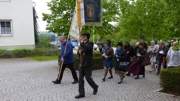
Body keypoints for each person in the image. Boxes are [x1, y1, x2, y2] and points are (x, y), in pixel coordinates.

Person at [75, 32, 99, 99]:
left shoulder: (90, 43)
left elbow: (87, 49)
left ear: (87, 37)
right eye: (82, 36)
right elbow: (78, 52)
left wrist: (82, 43)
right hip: (81, 63)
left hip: (87, 64)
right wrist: (79, 52)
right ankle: (81, 93)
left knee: (88, 78)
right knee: (80, 79)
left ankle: (95, 86)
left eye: (84, 36)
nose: (83, 37)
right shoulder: (81, 44)